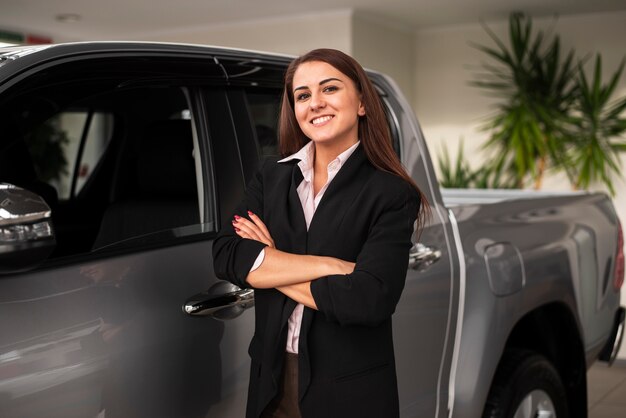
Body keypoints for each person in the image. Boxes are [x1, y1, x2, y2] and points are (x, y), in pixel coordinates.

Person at [212, 48, 427, 418]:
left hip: (348, 391)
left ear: (361, 102)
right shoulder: (273, 176)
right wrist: (331, 266)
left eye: (329, 89)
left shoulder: (391, 192)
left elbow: (369, 298)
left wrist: (269, 264)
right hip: (271, 381)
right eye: (303, 95)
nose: (315, 103)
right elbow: (227, 254)